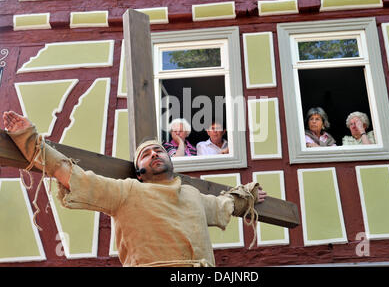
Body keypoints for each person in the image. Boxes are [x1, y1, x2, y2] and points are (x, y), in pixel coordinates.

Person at [2, 111, 267, 267]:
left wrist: (248, 195)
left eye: (159, 150)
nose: (154, 154)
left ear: (170, 160)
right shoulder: (127, 191)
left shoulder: (193, 195)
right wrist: (28, 138)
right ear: (138, 171)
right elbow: (69, 174)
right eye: (146, 154)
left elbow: (227, 205)